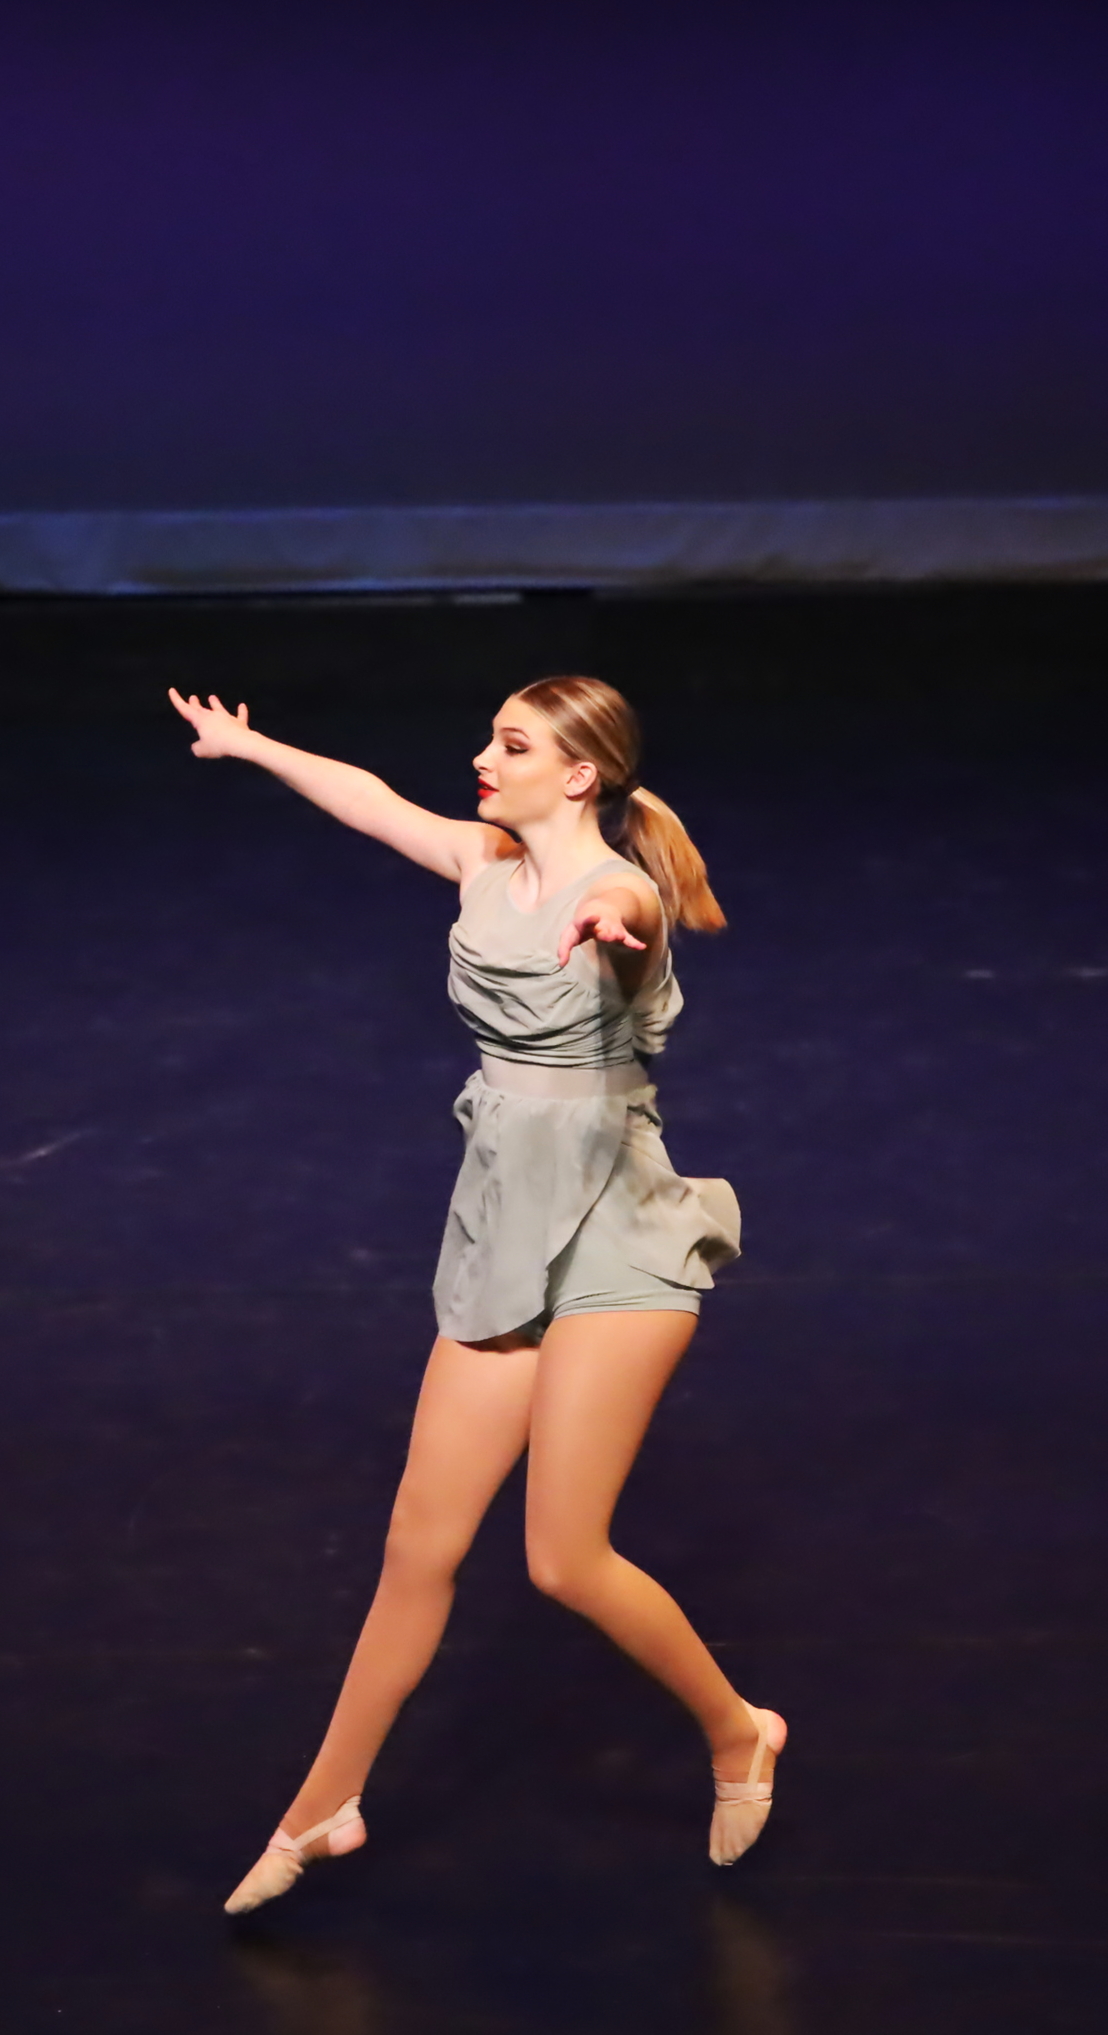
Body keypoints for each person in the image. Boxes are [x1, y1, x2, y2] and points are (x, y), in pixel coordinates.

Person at [164, 674, 782, 1917]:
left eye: (511, 745)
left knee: (561, 1558)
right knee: (418, 1546)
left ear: (578, 775)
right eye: (490, 739)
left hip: (614, 1235)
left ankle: (738, 1728)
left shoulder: (620, 889)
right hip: (503, 1225)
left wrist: (608, 919)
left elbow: (627, 905)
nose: (482, 759)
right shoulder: (481, 863)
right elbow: (371, 801)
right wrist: (251, 745)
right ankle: (324, 1804)